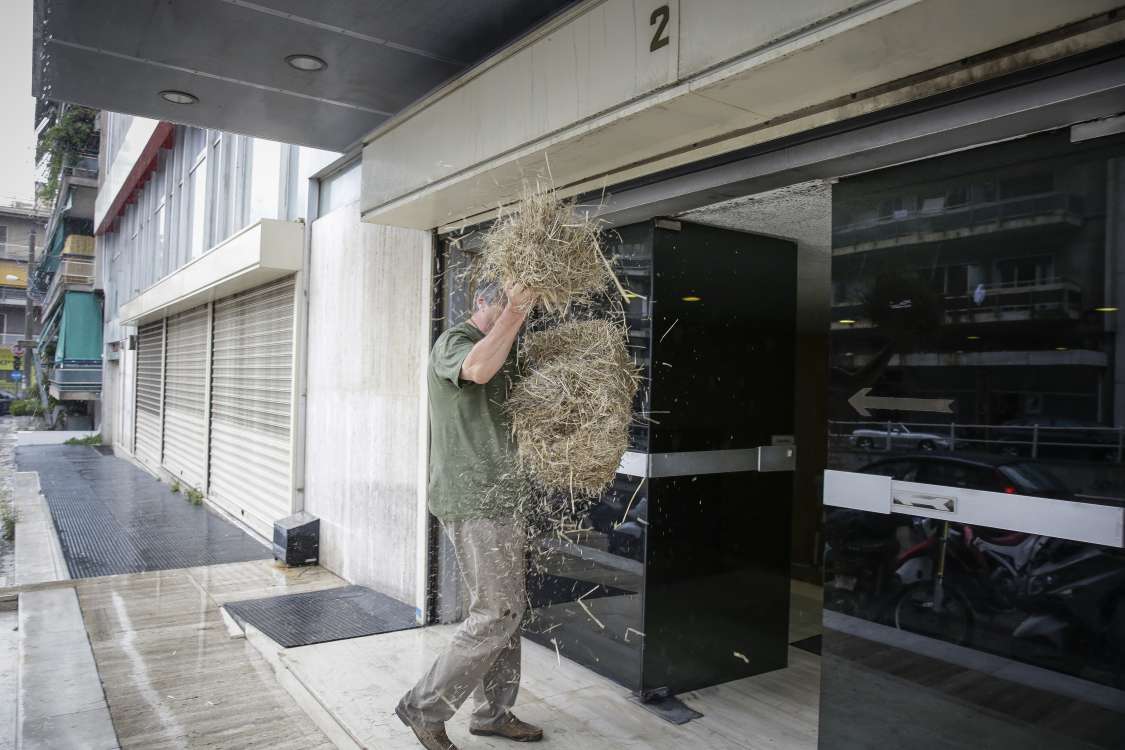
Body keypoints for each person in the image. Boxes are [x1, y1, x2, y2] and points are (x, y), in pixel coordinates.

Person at [396, 280, 544, 750]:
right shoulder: (454, 343)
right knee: (494, 612)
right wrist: (516, 311)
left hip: (505, 499)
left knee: (508, 611)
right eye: (502, 308)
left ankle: (492, 713)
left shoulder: (506, 354)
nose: (513, 320)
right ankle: (424, 706)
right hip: (476, 499)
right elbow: (477, 369)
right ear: (481, 303)